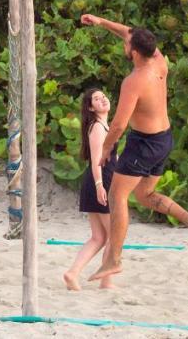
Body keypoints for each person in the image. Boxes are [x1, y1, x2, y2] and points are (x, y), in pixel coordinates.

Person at [79, 14, 188, 283]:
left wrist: (105, 149)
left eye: (127, 45)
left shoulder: (134, 81)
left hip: (144, 144)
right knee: (145, 195)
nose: (124, 44)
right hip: (164, 138)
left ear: (134, 52)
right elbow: (129, 31)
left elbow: (118, 125)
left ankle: (113, 260)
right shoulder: (159, 60)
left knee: (117, 196)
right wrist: (101, 23)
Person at [63, 87, 117, 291]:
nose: (102, 99)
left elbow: (113, 159)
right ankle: (106, 281)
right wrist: (99, 186)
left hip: (104, 182)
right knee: (113, 235)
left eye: (104, 96)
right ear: (90, 107)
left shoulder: (104, 125)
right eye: (97, 98)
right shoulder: (96, 127)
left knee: (99, 237)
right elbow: (96, 161)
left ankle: (72, 273)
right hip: (99, 183)